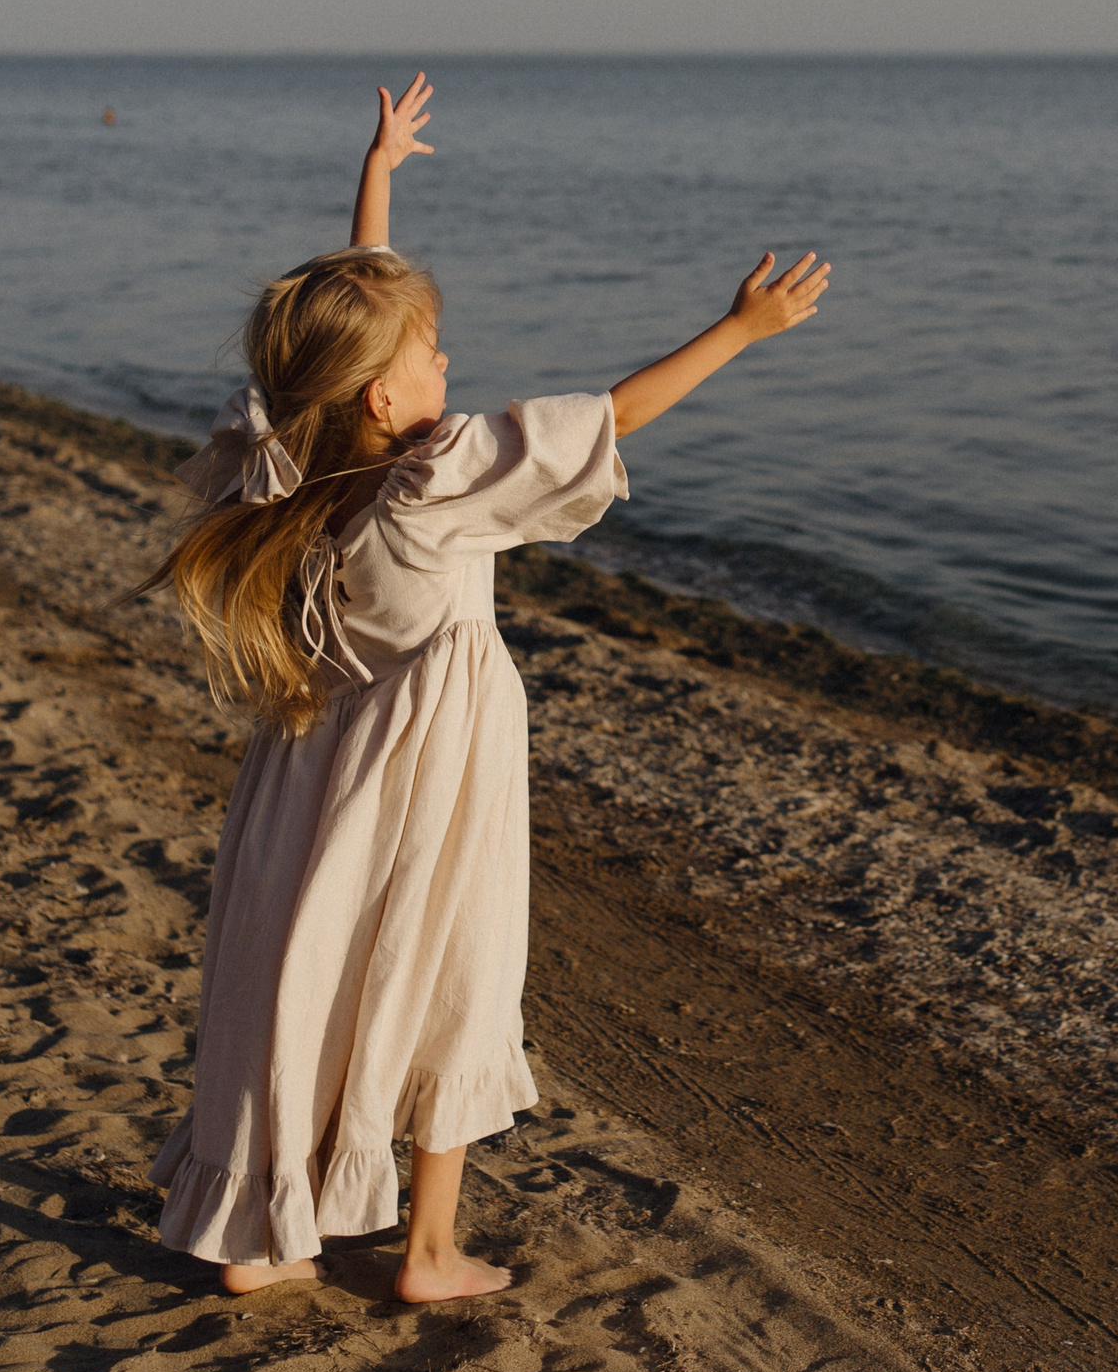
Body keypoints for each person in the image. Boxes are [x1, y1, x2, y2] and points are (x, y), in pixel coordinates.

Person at [138, 73, 830, 1300]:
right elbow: (611, 418)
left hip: (317, 768)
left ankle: (267, 1229)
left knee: (306, 968)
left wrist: (378, 178)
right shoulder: (435, 486)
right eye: (431, 352)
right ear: (382, 396)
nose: (447, 359)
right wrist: (738, 331)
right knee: (446, 966)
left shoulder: (289, 468)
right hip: (437, 771)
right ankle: (427, 1248)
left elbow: (345, 327)